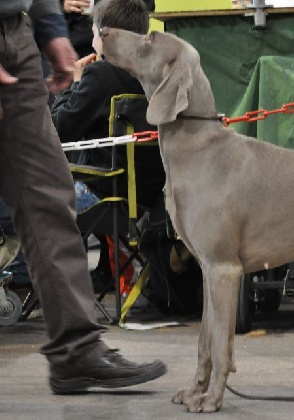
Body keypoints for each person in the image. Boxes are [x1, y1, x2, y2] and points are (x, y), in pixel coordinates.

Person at [0, 0, 166, 393]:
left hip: (16, 35)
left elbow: (66, 124)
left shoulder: (99, 75)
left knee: (49, 193)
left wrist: (50, 26)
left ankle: (76, 350)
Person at [51, 0, 166, 290]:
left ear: (104, 35)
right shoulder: (157, 72)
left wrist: (73, 85)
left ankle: (37, 283)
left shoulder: (99, 76)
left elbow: (58, 129)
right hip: (153, 197)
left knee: (31, 194)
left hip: (110, 195)